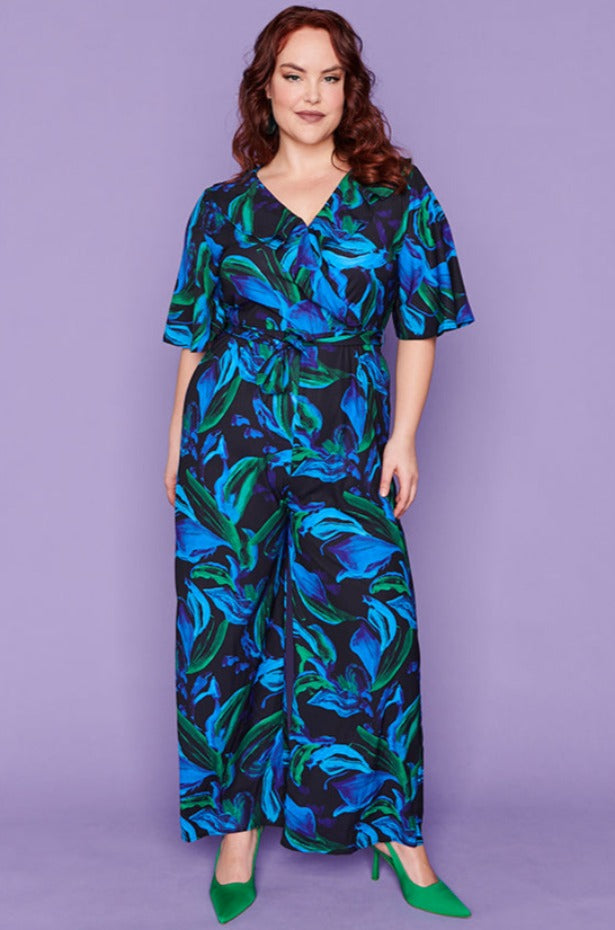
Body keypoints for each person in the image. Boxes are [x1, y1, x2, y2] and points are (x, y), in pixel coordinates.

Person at [162, 5, 475, 923]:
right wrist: (175, 443)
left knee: (366, 631)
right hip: (229, 442)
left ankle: (397, 835)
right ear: (264, 88)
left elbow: (419, 323)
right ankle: (236, 833)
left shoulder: (396, 193)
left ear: (350, 91)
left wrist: (402, 437)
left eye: (329, 77)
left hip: (346, 437)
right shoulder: (220, 208)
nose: (311, 94)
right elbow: (194, 335)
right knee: (227, 633)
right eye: (293, 75)